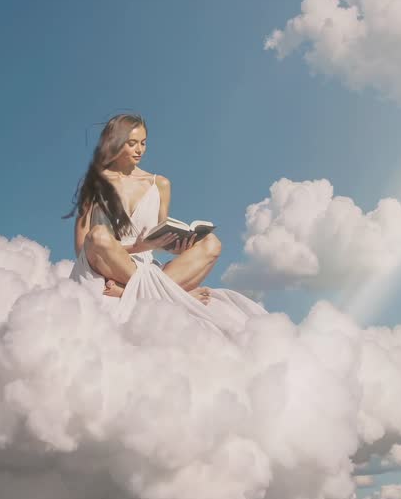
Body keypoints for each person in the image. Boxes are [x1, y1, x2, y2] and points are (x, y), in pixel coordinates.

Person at [65, 113, 267, 336]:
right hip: (107, 260)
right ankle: (172, 294)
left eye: (143, 143)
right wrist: (136, 247)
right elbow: (82, 245)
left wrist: (175, 244)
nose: (140, 150)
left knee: (212, 244)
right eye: (132, 143)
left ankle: (132, 292)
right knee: (99, 235)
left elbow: (158, 236)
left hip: (143, 268)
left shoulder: (160, 184)